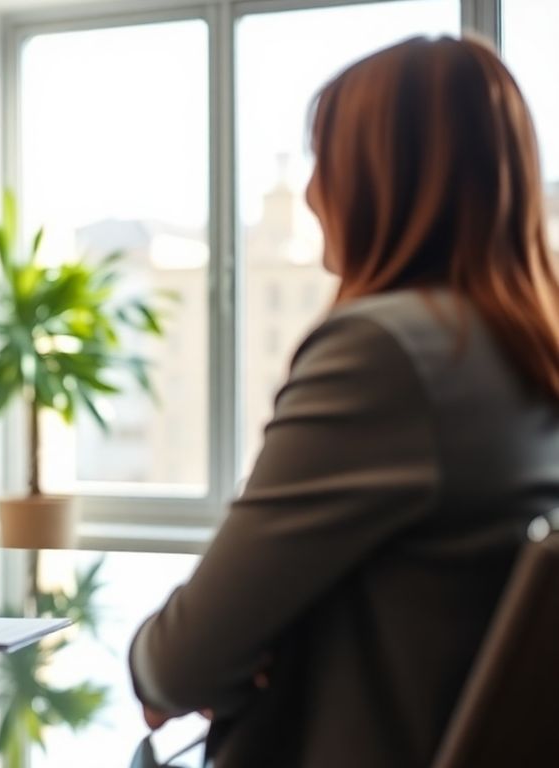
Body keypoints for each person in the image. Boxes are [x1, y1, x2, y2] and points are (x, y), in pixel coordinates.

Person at [129, 36, 559, 767]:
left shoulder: (386, 354)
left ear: (379, 178)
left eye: (324, 160)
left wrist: (176, 656)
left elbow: (179, 666)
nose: (310, 192)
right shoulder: (520, 350)